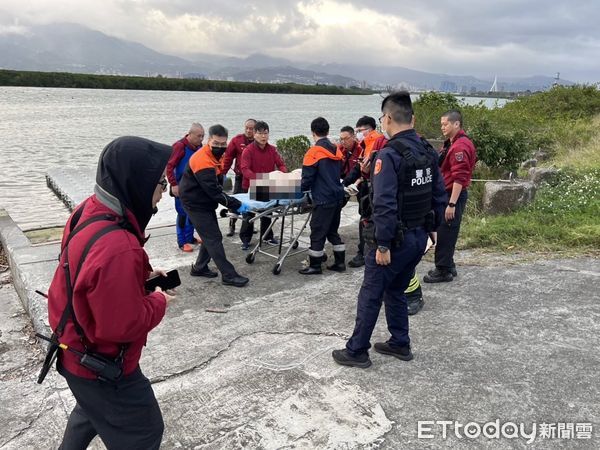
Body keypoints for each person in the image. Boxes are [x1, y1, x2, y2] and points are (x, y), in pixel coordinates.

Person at [47, 136, 174, 449]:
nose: (164, 192)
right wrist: (158, 300)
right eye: (161, 183)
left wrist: (139, 277)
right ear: (138, 183)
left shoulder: (87, 210)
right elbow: (122, 325)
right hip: (101, 364)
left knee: (90, 410)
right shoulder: (120, 248)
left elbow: (89, 270)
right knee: (144, 432)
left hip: (72, 347)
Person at [332, 91, 447, 368]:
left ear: (386, 119)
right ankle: (400, 343)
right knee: (395, 290)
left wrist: (382, 244)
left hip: (393, 240)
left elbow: (383, 203)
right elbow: (438, 194)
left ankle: (357, 350)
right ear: (412, 118)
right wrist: (432, 231)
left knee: (371, 293)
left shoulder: (389, 155)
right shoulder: (427, 150)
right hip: (418, 237)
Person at [179, 124, 250, 287]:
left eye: (223, 144)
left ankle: (199, 268)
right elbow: (213, 191)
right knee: (213, 238)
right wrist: (235, 204)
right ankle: (229, 275)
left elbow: (217, 183)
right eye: (216, 144)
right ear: (208, 141)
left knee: (210, 236)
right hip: (194, 202)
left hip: (204, 200)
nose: (220, 147)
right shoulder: (202, 159)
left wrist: (230, 199)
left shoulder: (218, 155)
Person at [424, 109, 476, 283]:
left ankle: (443, 270)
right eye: (441, 124)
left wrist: (451, 204)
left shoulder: (460, 146)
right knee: (446, 230)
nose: (442, 127)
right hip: (447, 193)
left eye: (445, 124)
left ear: (456, 124)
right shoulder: (451, 143)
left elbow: (459, 178)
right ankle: (449, 264)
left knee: (446, 232)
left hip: (453, 194)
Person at [299, 117, 346, 275]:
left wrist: (301, 192)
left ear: (313, 133)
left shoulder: (313, 152)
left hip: (323, 198)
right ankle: (340, 263)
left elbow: (306, 179)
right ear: (327, 131)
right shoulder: (336, 149)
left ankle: (315, 266)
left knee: (318, 232)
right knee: (332, 231)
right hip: (338, 196)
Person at [343, 116, 384, 268]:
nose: (358, 133)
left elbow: (365, 167)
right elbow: (359, 166)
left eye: (360, 131)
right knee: (369, 219)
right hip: (371, 185)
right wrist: (345, 182)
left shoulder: (375, 142)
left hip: (373, 187)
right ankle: (367, 251)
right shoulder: (367, 143)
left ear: (369, 130)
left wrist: (346, 182)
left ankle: (364, 253)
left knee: (366, 220)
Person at [239, 120, 287, 250]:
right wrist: (259, 179)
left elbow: (281, 164)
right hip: (250, 185)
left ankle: (267, 236)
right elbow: (244, 169)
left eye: (266, 133)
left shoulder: (272, 149)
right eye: (260, 133)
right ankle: (245, 239)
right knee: (248, 214)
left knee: (267, 212)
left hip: (268, 185)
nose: (263, 136)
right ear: (254, 134)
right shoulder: (248, 150)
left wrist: (283, 175)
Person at [166, 123, 205, 252]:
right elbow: (169, 167)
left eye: (203, 136)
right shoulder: (179, 146)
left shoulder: (199, 147)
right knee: (182, 213)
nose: (201, 139)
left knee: (192, 212)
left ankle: (190, 238)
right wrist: (173, 184)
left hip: (194, 186)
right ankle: (181, 242)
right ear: (190, 134)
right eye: (199, 136)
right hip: (180, 186)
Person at [221, 119, 256, 237]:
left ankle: (249, 226)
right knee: (235, 203)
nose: (248, 130)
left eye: (251, 128)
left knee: (254, 203)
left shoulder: (259, 141)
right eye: (247, 127)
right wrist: (222, 175)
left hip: (255, 178)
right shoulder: (237, 140)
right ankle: (232, 225)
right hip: (240, 177)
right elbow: (228, 158)